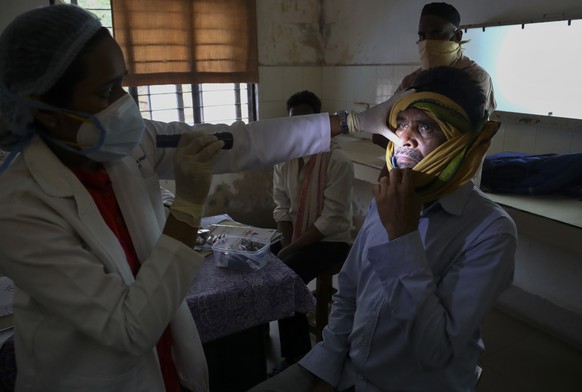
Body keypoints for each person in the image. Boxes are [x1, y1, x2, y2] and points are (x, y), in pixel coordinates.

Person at [0, 5, 404, 392]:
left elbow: (241, 141)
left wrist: (351, 121)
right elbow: (128, 327)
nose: (125, 104)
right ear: (48, 111)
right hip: (91, 376)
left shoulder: (126, 144)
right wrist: (189, 204)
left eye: (123, 82)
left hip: (164, 359)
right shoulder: (20, 207)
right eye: (106, 91)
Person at [249, 66, 517, 392]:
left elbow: (435, 352)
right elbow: (348, 294)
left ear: (461, 142)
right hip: (347, 369)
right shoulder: (389, 195)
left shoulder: (490, 231)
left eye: (426, 127)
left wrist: (402, 236)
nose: (404, 138)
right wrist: (327, 370)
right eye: (401, 123)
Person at [271, 91, 354, 373]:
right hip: (297, 235)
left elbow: (330, 222)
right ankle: (258, 342)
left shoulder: (337, 161)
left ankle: (298, 358)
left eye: (308, 121)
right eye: (295, 121)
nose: (300, 128)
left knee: (285, 276)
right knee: (256, 263)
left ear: (319, 122)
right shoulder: (285, 158)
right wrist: (286, 241)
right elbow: (281, 205)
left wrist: (290, 250)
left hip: (332, 241)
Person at [373, 2, 496, 152]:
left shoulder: (475, 77)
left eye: (436, 34)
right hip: (412, 163)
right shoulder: (411, 80)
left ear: (457, 36)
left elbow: (465, 135)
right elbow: (387, 124)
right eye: (422, 36)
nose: (427, 41)